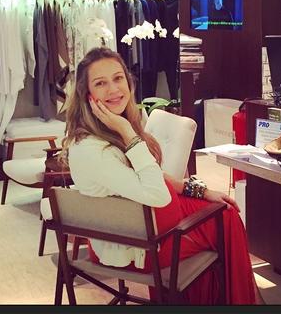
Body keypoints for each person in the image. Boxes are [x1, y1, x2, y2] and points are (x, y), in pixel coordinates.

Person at [59, 47, 263, 305]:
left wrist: (199, 190)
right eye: (100, 83)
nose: (114, 89)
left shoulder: (109, 128)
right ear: (86, 94)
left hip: (151, 223)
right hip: (136, 245)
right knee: (226, 223)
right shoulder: (93, 149)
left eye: (118, 78)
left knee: (225, 211)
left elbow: (153, 176)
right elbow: (157, 193)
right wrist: (128, 133)